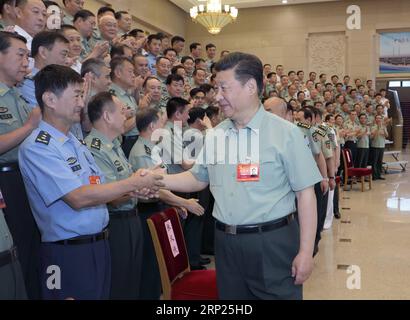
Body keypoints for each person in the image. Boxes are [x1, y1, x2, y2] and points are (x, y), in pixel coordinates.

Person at [161, 52, 321, 299]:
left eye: (224, 88)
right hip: (226, 243)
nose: (218, 96)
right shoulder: (215, 135)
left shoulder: (286, 134)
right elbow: (198, 178)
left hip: (272, 242)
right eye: (216, 88)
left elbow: (306, 194)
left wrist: (305, 251)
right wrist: (156, 180)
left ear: (250, 87)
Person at [18, 64, 164, 299]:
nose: (81, 103)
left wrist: (135, 192)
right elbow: (77, 197)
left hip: (98, 246)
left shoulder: (75, 143)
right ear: (50, 99)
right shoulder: (38, 147)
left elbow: (98, 189)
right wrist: (131, 183)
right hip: (66, 254)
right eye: (76, 95)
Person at [85, 92, 143, 300]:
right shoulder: (94, 148)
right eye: (121, 111)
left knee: (132, 281)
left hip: (131, 217)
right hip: (116, 223)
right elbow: (112, 196)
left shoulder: (115, 144)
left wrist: (140, 184)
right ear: (107, 116)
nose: (126, 115)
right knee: (119, 285)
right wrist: (139, 184)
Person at [0, 31, 42, 299]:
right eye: (20, 55)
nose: (26, 61)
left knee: (30, 251)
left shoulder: (20, 96)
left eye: (28, 55)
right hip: (5, 182)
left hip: (26, 177)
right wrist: (29, 127)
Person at [370, 114, 388, 180]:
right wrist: (377, 128)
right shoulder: (373, 127)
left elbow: (386, 135)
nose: (378, 119)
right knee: (374, 161)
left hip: (382, 146)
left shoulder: (383, 127)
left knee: (380, 161)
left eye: (380, 118)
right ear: (375, 120)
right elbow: (372, 137)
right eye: (377, 118)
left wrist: (384, 130)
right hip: (375, 146)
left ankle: (379, 175)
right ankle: (374, 176)